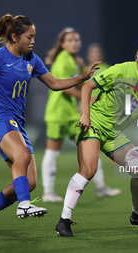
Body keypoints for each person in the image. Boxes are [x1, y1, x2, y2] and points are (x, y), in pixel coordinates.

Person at [0, 15, 100, 238]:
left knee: (30, 182)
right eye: (30, 36)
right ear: (15, 37)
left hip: (16, 122)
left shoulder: (31, 58)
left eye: (34, 36)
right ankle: (24, 204)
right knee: (23, 156)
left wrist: (83, 77)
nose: (33, 40)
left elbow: (55, 84)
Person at [55, 32, 138, 236]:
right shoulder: (119, 70)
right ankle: (64, 219)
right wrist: (85, 114)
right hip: (93, 124)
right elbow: (87, 87)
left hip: (113, 133)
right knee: (89, 170)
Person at [41, 28, 121, 202]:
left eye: (76, 40)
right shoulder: (63, 61)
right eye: (70, 40)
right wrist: (87, 97)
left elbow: (78, 84)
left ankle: (100, 188)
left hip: (71, 114)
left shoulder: (74, 61)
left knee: (92, 145)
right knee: (52, 153)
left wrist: (83, 69)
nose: (74, 43)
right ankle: (48, 192)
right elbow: (64, 87)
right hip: (58, 114)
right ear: (62, 44)